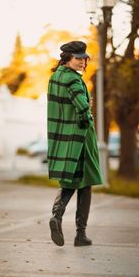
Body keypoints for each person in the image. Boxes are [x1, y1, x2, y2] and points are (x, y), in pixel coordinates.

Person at [47, 40, 103, 247]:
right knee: (86, 183)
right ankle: (80, 234)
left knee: (71, 179)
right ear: (67, 58)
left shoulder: (55, 77)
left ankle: (57, 215)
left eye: (84, 58)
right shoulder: (73, 80)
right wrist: (88, 113)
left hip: (63, 137)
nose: (82, 62)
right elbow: (81, 107)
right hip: (80, 137)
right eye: (78, 58)